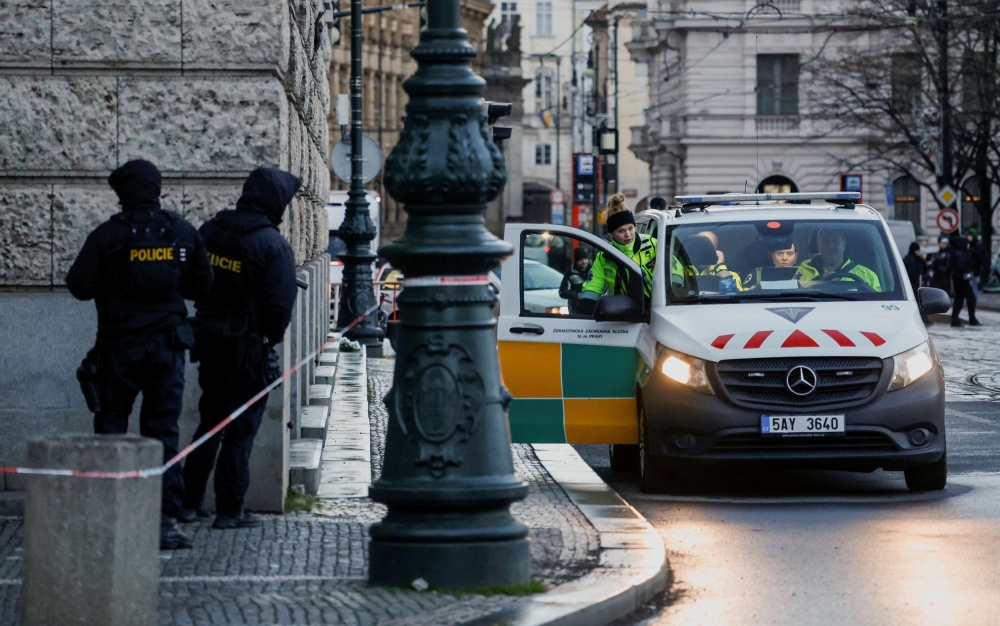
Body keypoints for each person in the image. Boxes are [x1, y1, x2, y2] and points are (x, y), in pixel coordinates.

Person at [66, 160, 214, 550]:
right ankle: (165, 522)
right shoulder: (182, 232)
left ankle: (108, 516)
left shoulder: (109, 235)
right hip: (167, 347)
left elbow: (78, 285)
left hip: (118, 348)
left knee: (111, 428)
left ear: (123, 192)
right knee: (163, 431)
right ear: (156, 188)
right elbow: (204, 285)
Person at [179, 168, 300, 529]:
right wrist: (267, 339)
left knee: (210, 424)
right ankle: (230, 510)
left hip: (210, 341)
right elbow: (280, 307)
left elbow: (191, 282)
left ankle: (189, 503)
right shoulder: (271, 244)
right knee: (240, 430)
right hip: (248, 348)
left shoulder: (212, 230)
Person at [580, 193, 656, 308]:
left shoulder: (652, 244)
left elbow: (676, 275)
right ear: (611, 234)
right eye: (621, 231)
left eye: (630, 228)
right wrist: (584, 311)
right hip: (622, 314)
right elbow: (592, 287)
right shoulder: (604, 257)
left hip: (657, 309)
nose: (628, 235)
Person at [796, 229, 881, 290]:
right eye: (825, 241)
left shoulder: (867, 275)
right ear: (818, 246)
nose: (831, 246)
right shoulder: (802, 272)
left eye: (835, 240)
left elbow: (878, 303)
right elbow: (793, 298)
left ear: (843, 245)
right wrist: (819, 281)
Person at [950, 234, 980, 327]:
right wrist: (969, 273)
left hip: (958, 279)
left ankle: (955, 319)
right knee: (971, 298)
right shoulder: (961, 254)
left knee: (959, 300)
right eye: (967, 243)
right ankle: (972, 319)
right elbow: (962, 267)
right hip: (963, 280)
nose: (968, 245)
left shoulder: (957, 253)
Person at [559, 247, 591, 314]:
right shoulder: (570, 274)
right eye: (581, 260)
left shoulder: (594, 271)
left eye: (585, 259)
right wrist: (578, 295)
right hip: (577, 311)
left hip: (592, 309)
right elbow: (562, 292)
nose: (584, 262)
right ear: (576, 261)